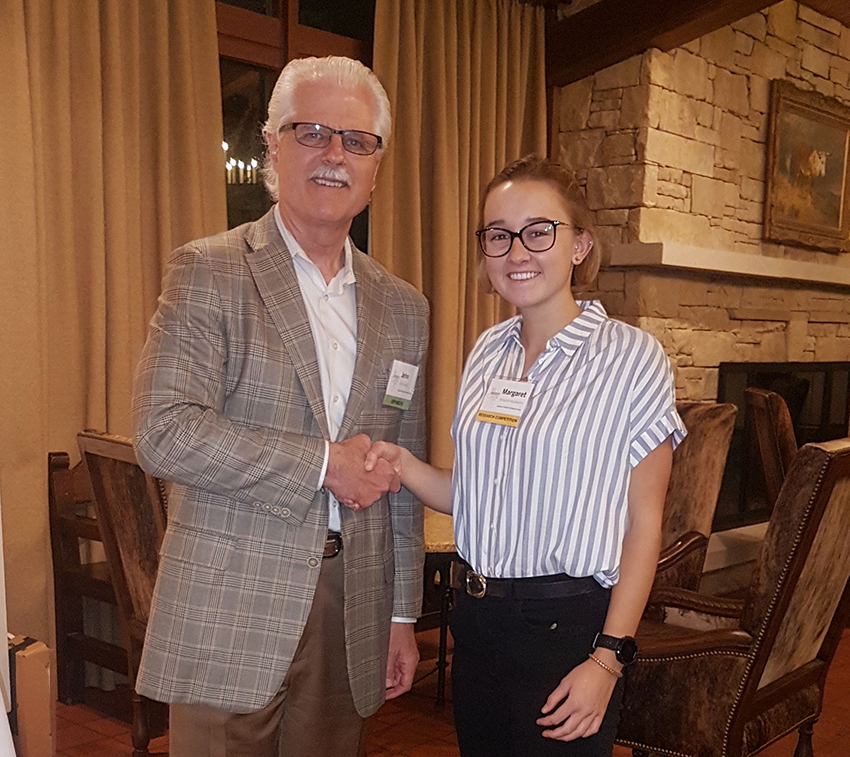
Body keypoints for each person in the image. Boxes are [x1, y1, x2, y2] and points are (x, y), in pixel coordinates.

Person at [132, 55, 429, 757]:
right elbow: (163, 430)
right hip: (231, 600)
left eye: (357, 140)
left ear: (377, 165)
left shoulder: (406, 308)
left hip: (350, 605)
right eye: (313, 131)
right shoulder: (209, 270)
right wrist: (324, 463)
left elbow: (401, 476)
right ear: (272, 144)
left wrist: (400, 611)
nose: (334, 154)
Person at [361, 156, 685, 756]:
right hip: (480, 623)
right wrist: (401, 466)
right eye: (499, 234)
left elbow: (645, 523)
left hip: (570, 630)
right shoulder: (487, 353)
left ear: (580, 244)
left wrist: (609, 658)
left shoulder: (633, 358)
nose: (518, 250)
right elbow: (472, 495)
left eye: (539, 231)